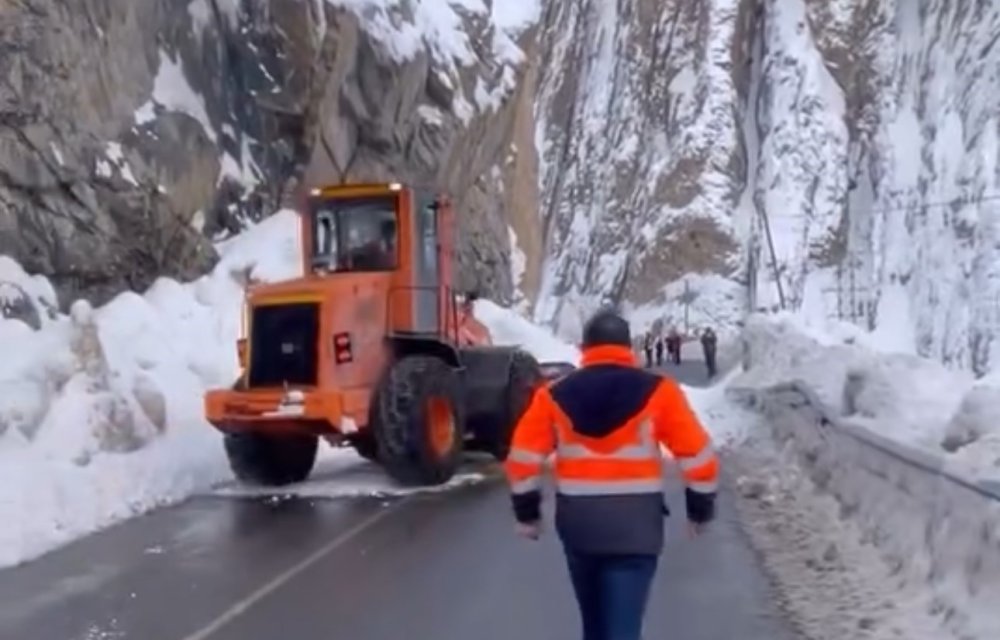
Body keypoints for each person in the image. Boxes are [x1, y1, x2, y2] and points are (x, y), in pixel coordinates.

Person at [504, 309, 719, 640]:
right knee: (623, 629)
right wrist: (700, 509)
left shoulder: (552, 396)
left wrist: (528, 514)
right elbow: (698, 454)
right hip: (636, 527)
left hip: (580, 526)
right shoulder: (660, 391)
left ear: (584, 347)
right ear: (627, 347)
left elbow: (522, 458)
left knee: (595, 627)